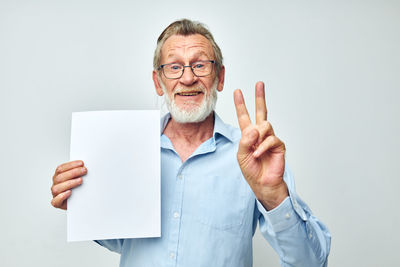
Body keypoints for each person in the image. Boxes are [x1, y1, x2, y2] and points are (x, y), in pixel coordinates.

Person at [51, 19, 331, 266]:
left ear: (219, 77)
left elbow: (309, 263)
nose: (187, 78)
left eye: (200, 65)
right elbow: (125, 242)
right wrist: (84, 203)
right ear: (158, 82)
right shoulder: (128, 148)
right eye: (174, 67)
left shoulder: (253, 156)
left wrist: (274, 196)